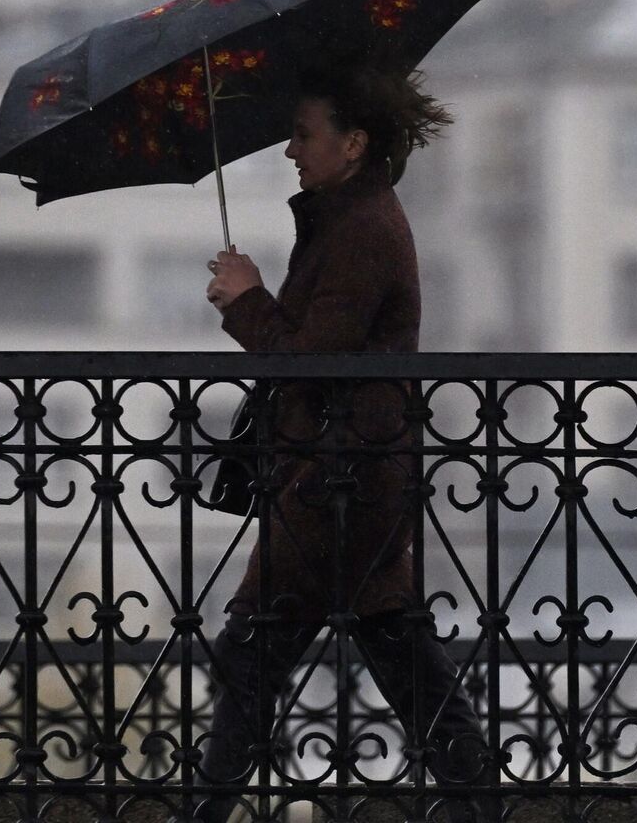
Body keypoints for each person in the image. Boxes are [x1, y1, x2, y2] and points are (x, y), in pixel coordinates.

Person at [194, 67, 491, 823]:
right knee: (396, 654)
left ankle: (202, 812)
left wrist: (246, 299)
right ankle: (481, 803)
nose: (290, 151)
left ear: (353, 144)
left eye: (304, 135)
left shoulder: (361, 231)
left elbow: (310, 360)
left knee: (252, 654)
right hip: (345, 479)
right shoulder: (352, 219)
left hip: (337, 485)